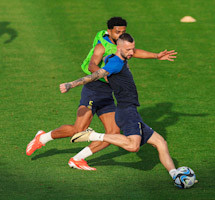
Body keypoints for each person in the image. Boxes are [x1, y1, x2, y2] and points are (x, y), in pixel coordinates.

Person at [26, 17, 177, 171]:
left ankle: (77, 159)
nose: (120, 35)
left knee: (113, 132)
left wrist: (156, 55)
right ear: (109, 31)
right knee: (79, 129)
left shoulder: (122, 47)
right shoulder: (101, 47)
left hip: (108, 93)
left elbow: (135, 52)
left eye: (123, 32)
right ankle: (43, 138)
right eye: (117, 32)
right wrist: (105, 74)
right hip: (94, 90)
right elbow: (92, 65)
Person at [59, 33, 178, 180]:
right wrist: (71, 84)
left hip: (131, 110)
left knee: (160, 142)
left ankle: (175, 175)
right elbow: (93, 76)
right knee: (133, 146)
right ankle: (92, 135)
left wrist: (156, 56)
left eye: (132, 49)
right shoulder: (115, 63)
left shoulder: (115, 58)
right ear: (119, 47)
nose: (131, 52)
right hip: (126, 111)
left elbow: (108, 57)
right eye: (128, 50)